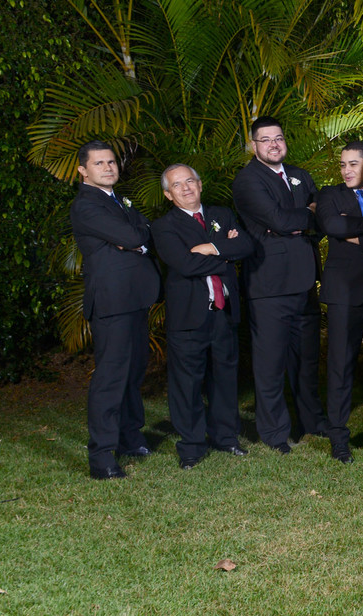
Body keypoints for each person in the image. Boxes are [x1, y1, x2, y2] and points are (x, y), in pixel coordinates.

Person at [232, 116, 325, 453]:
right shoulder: (247, 181)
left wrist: (300, 221)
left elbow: (322, 217)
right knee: (270, 364)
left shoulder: (300, 175)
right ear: (253, 145)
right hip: (269, 286)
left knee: (306, 360)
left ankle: (312, 422)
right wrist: (304, 215)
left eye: (279, 138)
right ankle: (274, 433)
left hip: (305, 281)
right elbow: (280, 220)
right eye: (266, 139)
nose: (274, 144)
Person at [152, 164, 253, 469]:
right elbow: (185, 265)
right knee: (187, 383)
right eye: (177, 185)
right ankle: (192, 447)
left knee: (224, 378)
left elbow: (246, 245)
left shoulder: (222, 214)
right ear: (168, 195)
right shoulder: (163, 226)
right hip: (188, 316)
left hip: (224, 313)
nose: (186, 188)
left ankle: (226, 438)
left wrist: (209, 247)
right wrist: (226, 254)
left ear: (199, 184)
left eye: (190, 181)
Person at [70, 140, 161, 479]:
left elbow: (143, 231)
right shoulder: (86, 205)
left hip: (134, 298)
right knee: (110, 378)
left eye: (111, 162)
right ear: (83, 171)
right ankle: (102, 456)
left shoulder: (117, 200)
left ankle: (129, 437)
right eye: (99, 163)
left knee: (133, 372)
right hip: (111, 302)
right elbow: (133, 235)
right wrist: (134, 236)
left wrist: (135, 236)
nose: (108, 168)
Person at [316, 141, 363, 463]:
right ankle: (338, 436)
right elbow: (332, 226)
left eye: (353, 164)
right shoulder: (330, 195)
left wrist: (355, 232)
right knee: (341, 363)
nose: (346, 170)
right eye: (342, 164)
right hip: (345, 291)